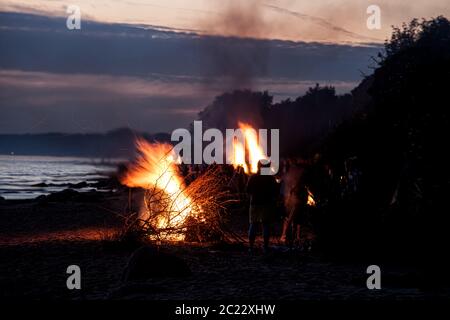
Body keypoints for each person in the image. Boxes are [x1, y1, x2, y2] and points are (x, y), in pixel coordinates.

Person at [246, 160, 279, 253]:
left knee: (253, 224)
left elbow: (247, 190)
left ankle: (251, 247)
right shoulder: (271, 179)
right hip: (267, 204)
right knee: (265, 225)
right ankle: (265, 247)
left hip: (255, 203)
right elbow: (275, 192)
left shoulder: (253, 177)